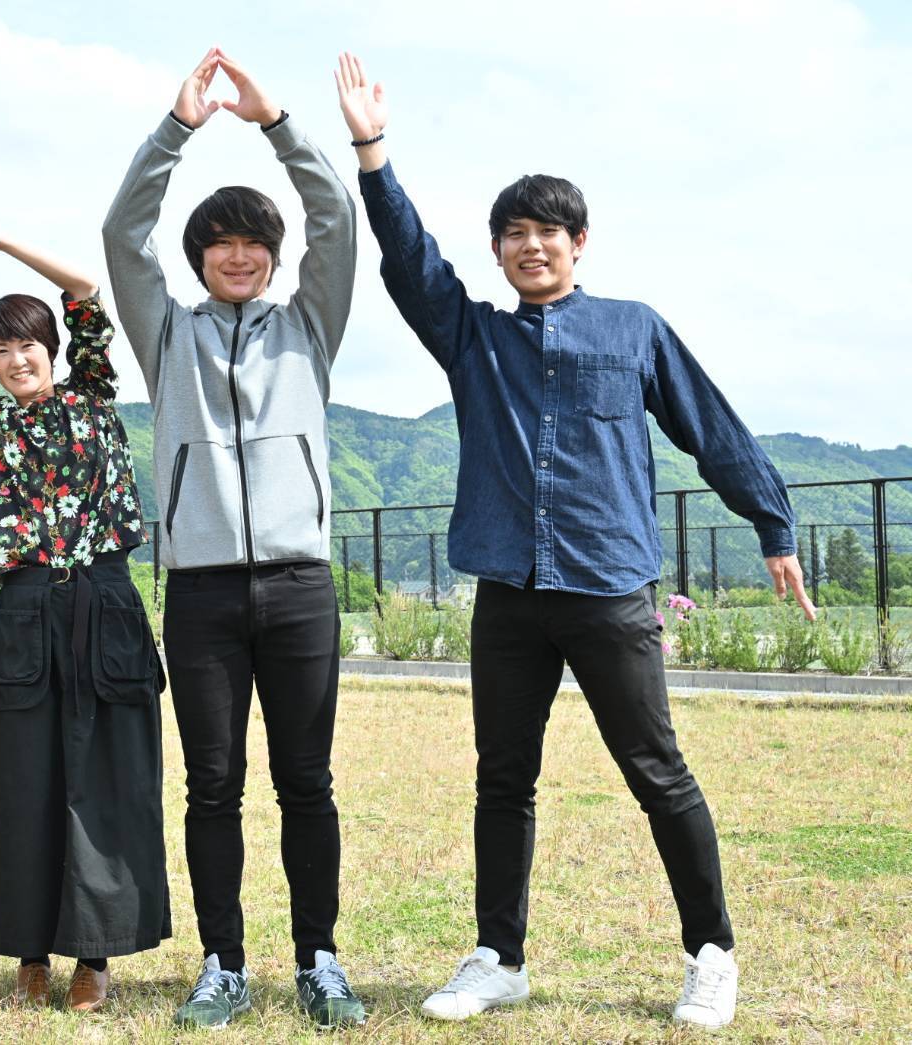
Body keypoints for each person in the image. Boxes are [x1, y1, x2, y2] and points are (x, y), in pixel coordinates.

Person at [335, 52, 816, 1031]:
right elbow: (411, 261)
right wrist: (372, 151)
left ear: (578, 242)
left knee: (656, 770)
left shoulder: (633, 329)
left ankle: (711, 952)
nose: (530, 246)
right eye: (512, 234)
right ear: (497, 252)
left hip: (608, 588)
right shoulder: (474, 338)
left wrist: (770, 520)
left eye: (546, 232)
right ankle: (498, 957)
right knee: (502, 778)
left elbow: (708, 425)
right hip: (508, 593)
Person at [101, 48, 366, 1030]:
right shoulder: (166, 333)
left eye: (254, 241)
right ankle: (222, 963)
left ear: (275, 255)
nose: (239, 255)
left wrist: (276, 123)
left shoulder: (309, 325)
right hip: (202, 592)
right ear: (199, 257)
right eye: (221, 243)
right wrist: (176, 129)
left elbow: (336, 218)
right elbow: (120, 232)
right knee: (212, 786)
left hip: (299, 586)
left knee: (307, 783)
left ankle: (318, 960)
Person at [0, 163, 170, 1012]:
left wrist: (4, 243)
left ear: (51, 349)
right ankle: (29, 950)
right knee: (23, 778)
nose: (15, 357)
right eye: (0, 349)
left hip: (105, 599)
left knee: (106, 777)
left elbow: (86, 289)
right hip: (23, 607)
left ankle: (94, 954)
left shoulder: (93, 394)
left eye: (27, 343)